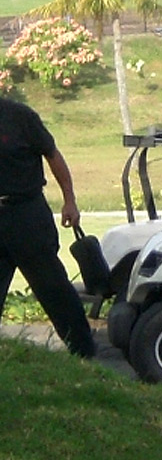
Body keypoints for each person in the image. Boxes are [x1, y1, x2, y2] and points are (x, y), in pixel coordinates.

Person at [0, 96, 96, 359]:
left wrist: (70, 201)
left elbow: (52, 155)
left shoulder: (19, 116)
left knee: (54, 289)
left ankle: (84, 355)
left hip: (26, 214)